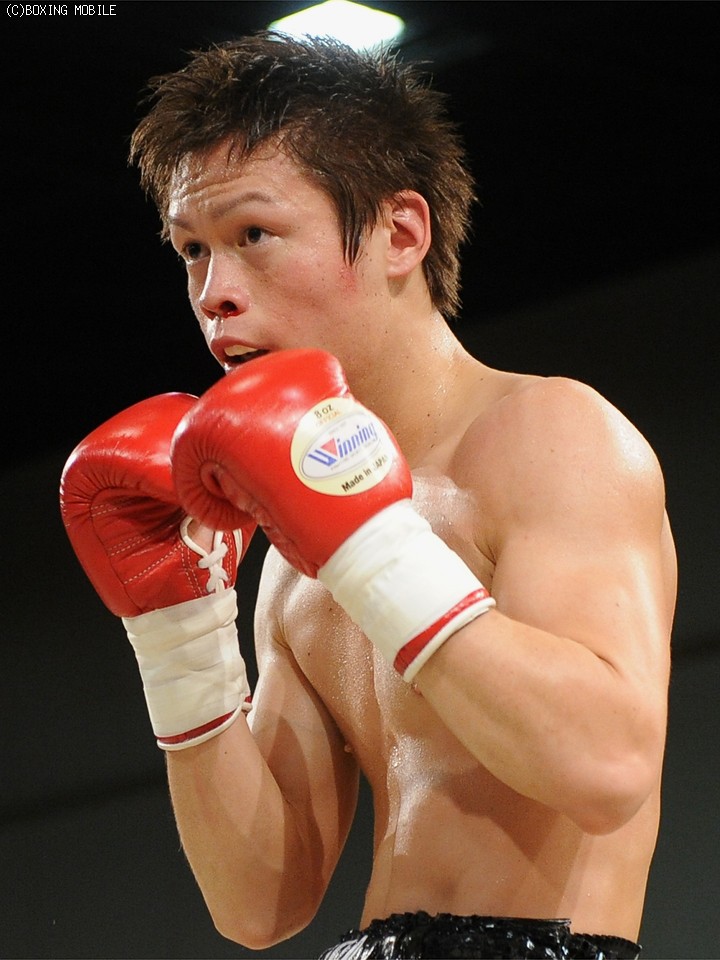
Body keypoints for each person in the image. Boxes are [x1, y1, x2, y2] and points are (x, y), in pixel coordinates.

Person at [59, 32, 676, 960]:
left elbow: (607, 765)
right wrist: (177, 633)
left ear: (401, 234)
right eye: (191, 250)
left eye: (252, 235)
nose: (214, 293)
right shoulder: (292, 553)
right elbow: (260, 903)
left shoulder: (551, 435)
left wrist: (368, 545)